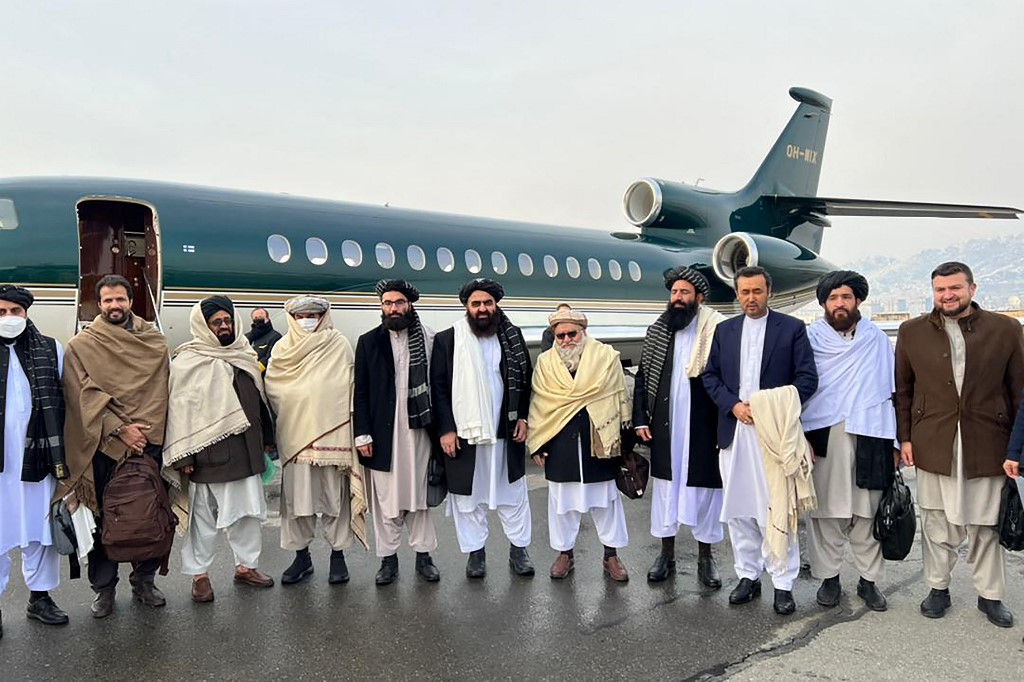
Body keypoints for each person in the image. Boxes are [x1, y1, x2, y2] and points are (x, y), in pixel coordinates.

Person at [895, 261, 1024, 628]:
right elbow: (903, 391)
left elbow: (1019, 392)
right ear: (932, 292)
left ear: (972, 289)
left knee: (986, 525)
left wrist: (1018, 448)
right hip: (933, 442)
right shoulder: (911, 332)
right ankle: (938, 588)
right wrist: (904, 436)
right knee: (936, 521)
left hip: (988, 442)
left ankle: (991, 596)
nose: (947, 295)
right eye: (940, 290)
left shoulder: (1006, 330)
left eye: (955, 288)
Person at [702, 265, 818, 615]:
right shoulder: (725, 331)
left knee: (777, 506)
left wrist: (768, 407)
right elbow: (711, 377)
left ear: (769, 291)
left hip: (774, 435)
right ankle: (748, 576)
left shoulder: (792, 329)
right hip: (735, 433)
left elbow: (807, 379)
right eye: (744, 292)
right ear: (737, 294)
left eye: (757, 291)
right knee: (739, 510)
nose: (750, 298)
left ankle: (782, 582)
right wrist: (734, 406)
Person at [60, 274, 171, 618]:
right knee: (104, 516)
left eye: (120, 299)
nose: (114, 306)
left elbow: (165, 391)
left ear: (130, 300)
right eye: (107, 300)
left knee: (149, 516)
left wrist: (144, 434)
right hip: (104, 445)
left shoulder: (154, 341)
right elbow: (80, 397)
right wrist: (121, 429)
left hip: (149, 443)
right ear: (98, 304)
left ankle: (145, 581)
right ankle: (104, 590)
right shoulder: (82, 345)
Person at [164, 296, 276, 603]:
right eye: (217, 322)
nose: (224, 326)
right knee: (203, 522)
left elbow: (259, 399)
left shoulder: (244, 354)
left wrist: (268, 438)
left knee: (248, 515)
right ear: (204, 325)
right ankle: (199, 576)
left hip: (246, 452)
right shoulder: (188, 361)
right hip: (206, 455)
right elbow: (179, 411)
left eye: (227, 320)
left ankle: (246, 567)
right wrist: (185, 456)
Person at [801, 271, 894, 612]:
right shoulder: (809, 340)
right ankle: (829, 579)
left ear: (858, 301)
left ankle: (869, 582)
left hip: (870, 434)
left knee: (867, 512)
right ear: (824, 303)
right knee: (825, 512)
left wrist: (896, 442)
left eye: (846, 297)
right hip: (822, 434)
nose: (840, 304)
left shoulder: (877, 341)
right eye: (833, 298)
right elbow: (797, 390)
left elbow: (891, 391)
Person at [431, 278, 535, 579]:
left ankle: (519, 550)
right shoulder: (448, 339)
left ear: (496, 305)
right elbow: (439, 389)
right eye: (476, 303)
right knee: (469, 497)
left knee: (513, 494)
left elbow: (526, 381)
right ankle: (476, 554)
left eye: (488, 303)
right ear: (467, 306)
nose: (483, 309)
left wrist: (523, 418)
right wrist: (446, 430)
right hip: (466, 435)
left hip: (506, 430)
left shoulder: (512, 336)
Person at [264, 295, 367, 586]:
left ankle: (338, 557)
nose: (308, 319)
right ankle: (301, 557)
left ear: (323, 316)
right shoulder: (283, 348)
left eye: (313, 314)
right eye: (302, 315)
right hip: (296, 438)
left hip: (333, 439)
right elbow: (275, 387)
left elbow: (347, 386)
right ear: (292, 318)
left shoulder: (338, 343)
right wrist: (301, 398)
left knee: (335, 500)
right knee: (298, 502)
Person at [634, 266, 725, 587]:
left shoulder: (716, 330)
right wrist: (640, 419)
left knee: (705, 492)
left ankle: (706, 557)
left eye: (684, 292)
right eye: (674, 292)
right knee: (665, 492)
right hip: (666, 426)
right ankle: (666, 555)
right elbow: (643, 377)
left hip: (704, 426)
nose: (677, 298)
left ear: (699, 297)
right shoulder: (658, 330)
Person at [528, 307, 631, 580]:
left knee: (606, 503)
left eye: (571, 333)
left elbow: (620, 397)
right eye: (559, 335)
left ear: (583, 332)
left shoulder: (605, 357)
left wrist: (625, 437)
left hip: (599, 440)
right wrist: (538, 443)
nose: (565, 340)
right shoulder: (546, 363)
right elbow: (539, 405)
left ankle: (611, 556)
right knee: (562, 504)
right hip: (561, 442)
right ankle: (565, 555)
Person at [354, 279, 441, 585]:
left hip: (419, 430)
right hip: (383, 432)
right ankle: (388, 561)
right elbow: (361, 393)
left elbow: (440, 387)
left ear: (409, 305)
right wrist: (362, 433)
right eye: (388, 303)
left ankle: (424, 557)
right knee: (386, 499)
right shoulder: (368, 342)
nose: (393, 308)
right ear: (381, 307)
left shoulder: (429, 339)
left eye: (399, 303)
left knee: (418, 496)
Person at [0, 285, 69, 636]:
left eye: (16, 311)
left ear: (27, 314)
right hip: (1, 464)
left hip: (38, 456)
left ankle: (39, 599)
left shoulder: (51, 348)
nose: (9, 318)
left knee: (40, 531)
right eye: (2, 312)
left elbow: (65, 399)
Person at [245, 307, 282, 374]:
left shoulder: (275, 336)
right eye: (255, 318)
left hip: (265, 376)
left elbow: (271, 357)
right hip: (247, 375)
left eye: (260, 317)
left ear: (267, 319)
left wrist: (255, 369)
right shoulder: (246, 337)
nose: (258, 320)